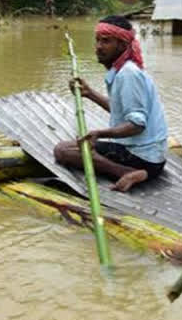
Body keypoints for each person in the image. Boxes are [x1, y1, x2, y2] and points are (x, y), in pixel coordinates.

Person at [53, 15, 168, 192]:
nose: (98, 47)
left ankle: (128, 172)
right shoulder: (122, 71)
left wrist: (99, 133)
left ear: (122, 45)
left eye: (106, 41)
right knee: (73, 148)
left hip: (143, 158)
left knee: (63, 150)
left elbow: (137, 125)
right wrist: (89, 93)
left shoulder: (127, 74)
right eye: (97, 41)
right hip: (151, 157)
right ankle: (139, 171)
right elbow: (121, 112)